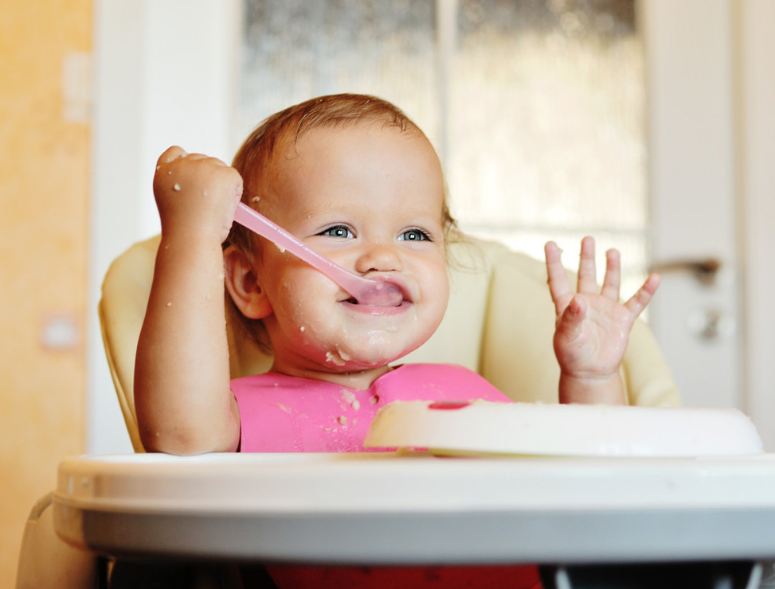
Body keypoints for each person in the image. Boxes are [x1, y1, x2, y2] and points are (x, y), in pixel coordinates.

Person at [134, 93, 660, 588]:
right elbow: (180, 437)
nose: (384, 257)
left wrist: (592, 376)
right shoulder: (233, 417)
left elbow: (590, 487)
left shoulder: (465, 397)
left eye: (415, 235)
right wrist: (193, 235)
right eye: (338, 230)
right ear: (251, 282)